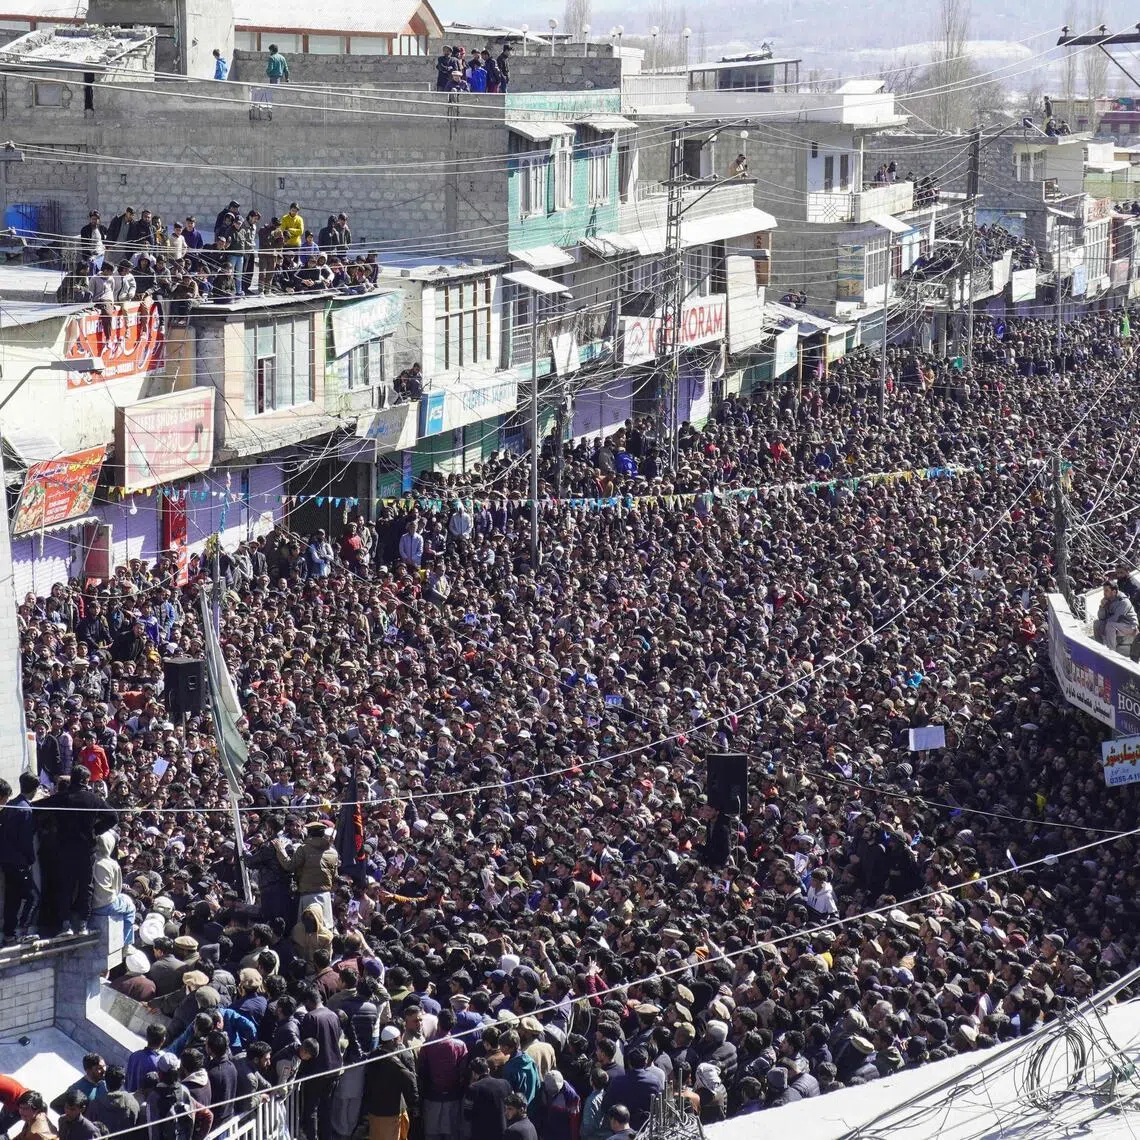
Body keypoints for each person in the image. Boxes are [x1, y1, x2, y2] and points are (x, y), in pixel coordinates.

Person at [39, 766, 116, 936]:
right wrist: (96, 830)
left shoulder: (61, 798)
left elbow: (37, 808)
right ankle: (82, 924)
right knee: (85, 886)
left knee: (64, 886)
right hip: (86, 849)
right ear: (86, 781)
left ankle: (65, 924)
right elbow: (113, 817)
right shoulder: (93, 799)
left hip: (64, 848)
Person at [298, 986, 342, 1140]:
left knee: (312, 1109)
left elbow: (307, 1046)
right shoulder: (333, 1015)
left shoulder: (311, 1017)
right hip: (334, 1068)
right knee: (326, 1107)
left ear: (309, 1001)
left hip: (317, 1069)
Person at [0, 773, 39, 943]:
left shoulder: (10, 806)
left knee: (12, 898)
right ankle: (24, 931)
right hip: (19, 862)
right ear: (35, 789)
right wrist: (30, 859)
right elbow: (25, 839)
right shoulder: (25, 810)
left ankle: (9, 933)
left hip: (6, 861)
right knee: (32, 897)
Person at [363, 1024, 419, 1140]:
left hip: (374, 1110)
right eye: (398, 1039)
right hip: (390, 1113)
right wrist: (414, 1103)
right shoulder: (393, 1061)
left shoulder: (374, 1055)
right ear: (393, 1041)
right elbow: (410, 1078)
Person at [91, 830, 137, 946]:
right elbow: (117, 889)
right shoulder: (112, 864)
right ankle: (126, 944)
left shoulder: (91, 861)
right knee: (130, 907)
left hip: (91, 904)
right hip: (107, 904)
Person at [463, 1056, 510, 1140]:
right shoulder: (505, 1084)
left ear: (473, 1073)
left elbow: (467, 1114)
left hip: (481, 1134)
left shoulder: (473, 1088)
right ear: (488, 1070)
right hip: (503, 1131)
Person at [1093, 580, 1137, 650]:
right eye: (1104, 591)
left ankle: (1111, 650)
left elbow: (1115, 619)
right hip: (1117, 625)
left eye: (1106, 591)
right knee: (1097, 623)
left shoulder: (1123, 602)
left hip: (1130, 626)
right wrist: (1102, 606)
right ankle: (1099, 647)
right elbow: (1101, 617)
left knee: (1110, 625)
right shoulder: (1108, 600)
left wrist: (1105, 625)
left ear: (1114, 592)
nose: (1104, 593)